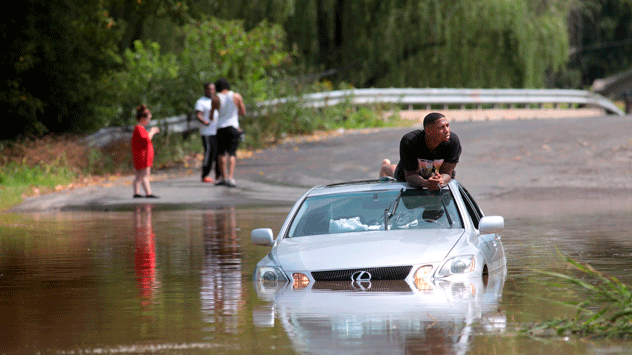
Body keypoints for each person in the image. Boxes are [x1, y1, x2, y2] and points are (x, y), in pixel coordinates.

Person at [379, 112, 461, 191]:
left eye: (447, 125)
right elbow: (410, 176)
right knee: (393, 170)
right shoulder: (410, 141)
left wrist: (440, 181)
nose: (447, 130)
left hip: (433, 174)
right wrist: (427, 183)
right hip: (409, 176)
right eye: (442, 127)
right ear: (428, 131)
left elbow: (447, 173)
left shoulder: (453, 142)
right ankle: (385, 166)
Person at [211, 78, 246, 188]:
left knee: (221, 153)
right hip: (233, 127)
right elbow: (243, 112)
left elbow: (211, 116)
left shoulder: (216, 99)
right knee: (232, 153)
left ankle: (224, 177)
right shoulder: (236, 96)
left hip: (221, 128)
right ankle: (231, 177)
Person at [131, 104, 160, 198]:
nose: (149, 121)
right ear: (143, 118)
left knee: (139, 175)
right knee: (145, 175)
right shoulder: (139, 128)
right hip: (143, 156)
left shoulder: (139, 128)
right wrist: (152, 131)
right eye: (148, 118)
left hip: (143, 155)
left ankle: (136, 192)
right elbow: (147, 139)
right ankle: (148, 193)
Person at [195, 82, 221, 183]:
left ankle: (219, 175)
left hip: (217, 131)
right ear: (205, 90)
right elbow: (198, 114)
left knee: (218, 154)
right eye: (209, 89)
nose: (211, 91)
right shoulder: (201, 101)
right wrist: (204, 121)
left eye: (213, 89)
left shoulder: (216, 100)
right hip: (207, 132)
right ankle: (204, 175)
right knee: (210, 153)